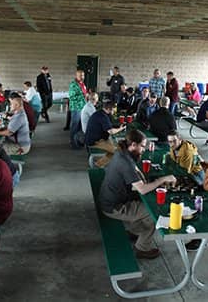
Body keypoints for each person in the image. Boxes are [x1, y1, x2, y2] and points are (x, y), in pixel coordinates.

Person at [99, 129, 176, 259]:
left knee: (146, 209)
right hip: (114, 207)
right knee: (154, 211)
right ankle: (142, 248)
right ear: (133, 145)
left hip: (109, 198)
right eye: (142, 146)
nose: (144, 149)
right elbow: (142, 189)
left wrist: (150, 181)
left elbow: (136, 171)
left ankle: (135, 231)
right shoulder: (126, 163)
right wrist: (162, 179)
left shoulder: (122, 152)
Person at [84, 101, 126, 168]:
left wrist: (117, 126)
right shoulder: (103, 117)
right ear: (109, 109)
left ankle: (100, 164)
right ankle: (98, 165)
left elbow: (107, 125)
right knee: (117, 151)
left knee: (116, 148)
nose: (114, 112)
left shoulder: (100, 113)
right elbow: (111, 131)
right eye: (113, 110)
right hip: (95, 141)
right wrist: (120, 129)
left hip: (97, 138)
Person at [68, 69, 88, 149]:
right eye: (80, 75)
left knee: (80, 126)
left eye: (83, 75)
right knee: (75, 126)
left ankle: (78, 142)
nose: (82, 77)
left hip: (82, 107)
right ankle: (73, 143)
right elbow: (72, 96)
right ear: (76, 76)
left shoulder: (82, 84)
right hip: (76, 108)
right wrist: (84, 95)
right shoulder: (73, 84)